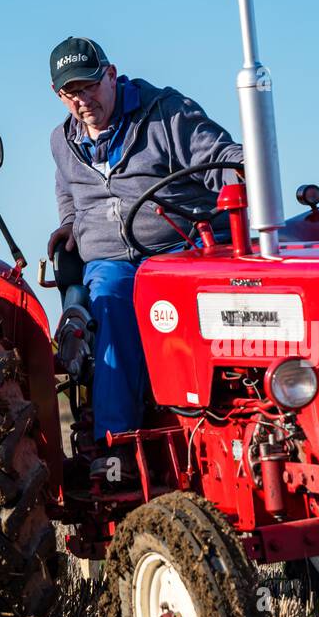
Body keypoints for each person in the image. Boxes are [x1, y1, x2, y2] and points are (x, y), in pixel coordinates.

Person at [47, 36, 243, 482]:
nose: (83, 99)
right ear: (59, 95)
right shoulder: (62, 141)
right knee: (111, 306)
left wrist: (240, 172)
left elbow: (217, 156)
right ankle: (118, 452)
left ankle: (208, 429)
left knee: (175, 302)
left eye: (91, 85)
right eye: (71, 92)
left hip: (179, 243)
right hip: (111, 259)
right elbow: (69, 191)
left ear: (111, 75)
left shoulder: (166, 113)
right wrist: (69, 223)